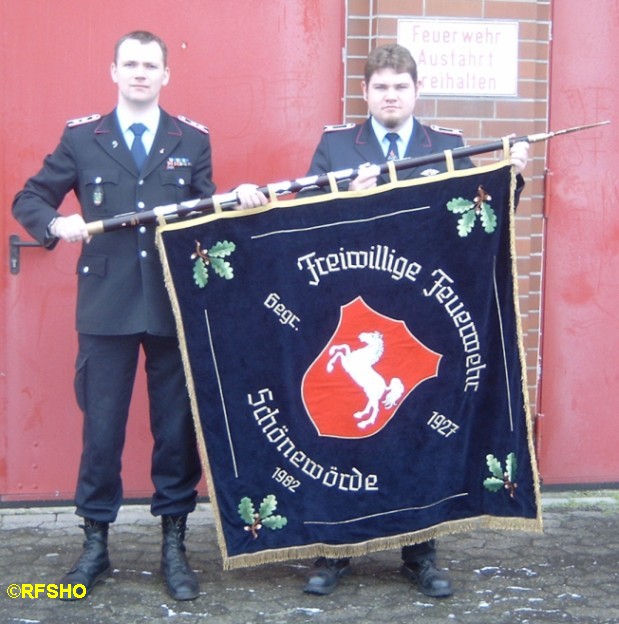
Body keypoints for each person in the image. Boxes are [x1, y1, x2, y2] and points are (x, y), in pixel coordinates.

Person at [239, 43, 529, 599]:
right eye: (380, 87)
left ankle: (420, 553)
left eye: (400, 86)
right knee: (343, 435)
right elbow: (306, 221)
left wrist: (511, 179)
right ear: (366, 94)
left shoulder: (444, 146)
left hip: (419, 317)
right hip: (347, 311)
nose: (390, 94)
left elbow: (476, 220)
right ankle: (335, 550)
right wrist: (344, 198)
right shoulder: (335, 145)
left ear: (416, 91)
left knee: (414, 431)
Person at [12, 31, 215, 601]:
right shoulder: (83, 139)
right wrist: (54, 225)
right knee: (101, 431)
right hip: (105, 308)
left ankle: (174, 544)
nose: (141, 73)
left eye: (151, 65)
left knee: (174, 431)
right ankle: (95, 544)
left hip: (171, 303)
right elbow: (30, 198)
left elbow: (205, 215)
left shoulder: (191, 140)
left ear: (166, 75)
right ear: (114, 71)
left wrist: (234, 203)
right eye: (131, 64)